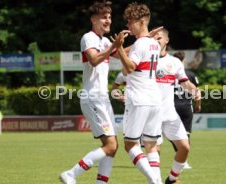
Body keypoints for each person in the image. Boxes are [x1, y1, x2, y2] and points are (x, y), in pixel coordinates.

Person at [59, 1, 124, 184]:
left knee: (112, 147)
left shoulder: (104, 41)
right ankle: (71, 173)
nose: (108, 20)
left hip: (102, 99)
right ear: (93, 19)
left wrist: (144, 40)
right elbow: (94, 59)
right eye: (104, 17)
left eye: (110, 16)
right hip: (92, 97)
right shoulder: (88, 37)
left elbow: (124, 54)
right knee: (110, 145)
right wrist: (114, 47)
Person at [114, 2, 163, 184]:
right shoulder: (154, 44)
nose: (128, 25)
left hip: (139, 99)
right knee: (151, 146)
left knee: (130, 144)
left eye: (130, 21)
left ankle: (155, 182)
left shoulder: (139, 45)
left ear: (142, 21)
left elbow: (129, 67)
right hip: (155, 100)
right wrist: (121, 49)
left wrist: (119, 47)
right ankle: (155, 180)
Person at [155, 28, 201, 184]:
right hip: (151, 114)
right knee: (155, 153)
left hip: (169, 114)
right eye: (153, 38)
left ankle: (172, 179)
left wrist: (195, 92)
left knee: (184, 147)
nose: (156, 40)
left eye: (159, 38)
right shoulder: (145, 60)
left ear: (166, 40)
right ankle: (155, 181)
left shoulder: (174, 62)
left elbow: (186, 83)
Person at [173, 51, 201, 169]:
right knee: (186, 134)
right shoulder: (190, 74)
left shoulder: (169, 74)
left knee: (173, 134)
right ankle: (183, 161)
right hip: (186, 107)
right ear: (184, 60)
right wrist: (198, 104)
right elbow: (197, 91)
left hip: (171, 107)